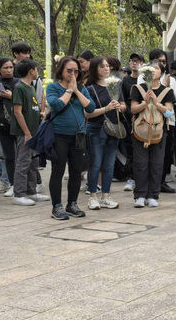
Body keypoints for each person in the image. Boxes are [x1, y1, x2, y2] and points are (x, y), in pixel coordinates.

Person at [46, 56, 96, 220]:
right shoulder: (53, 87)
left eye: (76, 71)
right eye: (69, 70)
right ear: (61, 70)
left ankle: (72, 204)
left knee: (76, 172)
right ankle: (56, 206)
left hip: (79, 136)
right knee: (58, 171)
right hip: (59, 135)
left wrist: (76, 90)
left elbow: (90, 107)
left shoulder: (81, 88)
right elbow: (57, 105)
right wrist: (69, 90)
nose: (73, 74)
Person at [130, 60, 175, 208]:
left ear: (162, 73)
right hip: (140, 131)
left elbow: (169, 112)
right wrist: (145, 102)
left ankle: (153, 195)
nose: (153, 71)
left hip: (158, 131)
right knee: (141, 164)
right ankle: (140, 195)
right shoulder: (138, 88)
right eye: (151, 69)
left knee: (157, 164)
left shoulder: (167, 91)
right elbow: (133, 110)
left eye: (157, 69)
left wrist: (156, 103)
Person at [84, 56, 125, 210]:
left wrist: (120, 107)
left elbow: (124, 105)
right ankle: (93, 196)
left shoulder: (114, 85)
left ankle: (106, 196)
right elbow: (88, 113)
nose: (106, 69)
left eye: (107, 66)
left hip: (114, 128)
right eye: (102, 66)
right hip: (96, 129)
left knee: (109, 165)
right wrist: (106, 108)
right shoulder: (90, 89)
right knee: (95, 164)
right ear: (95, 69)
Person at [141, 50, 176, 194]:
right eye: (157, 62)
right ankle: (145, 184)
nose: (160, 65)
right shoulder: (142, 78)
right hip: (146, 121)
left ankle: (161, 181)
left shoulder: (172, 80)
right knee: (145, 154)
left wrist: (166, 86)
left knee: (165, 154)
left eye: (163, 62)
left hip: (167, 121)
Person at [11, 59, 48, 206]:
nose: (37, 71)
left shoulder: (31, 87)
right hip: (24, 133)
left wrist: (39, 112)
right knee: (23, 162)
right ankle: (19, 194)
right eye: (36, 69)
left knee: (33, 162)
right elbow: (17, 112)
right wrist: (26, 132)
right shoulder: (19, 88)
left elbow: (31, 108)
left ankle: (32, 192)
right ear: (31, 71)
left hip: (34, 131)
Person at [0, 57, 18, 196]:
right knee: (9, 156)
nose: (9, 70)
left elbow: (26, 103)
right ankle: (11, 184)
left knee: (23, 156)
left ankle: (27, 184)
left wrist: (12, 97)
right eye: (5, 68)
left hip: (19, 124)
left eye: (11, 67)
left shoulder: (19, 82)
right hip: (2, 125)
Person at [121, 53, 143, 192]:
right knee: (130, 149)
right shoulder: (125, 80)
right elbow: (123, 100)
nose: (133, 63)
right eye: (131, 61)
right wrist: (130, 114)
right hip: (129, 119)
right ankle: (131, 177)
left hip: (144, 118)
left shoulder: (145, 80)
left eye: (136, 61)